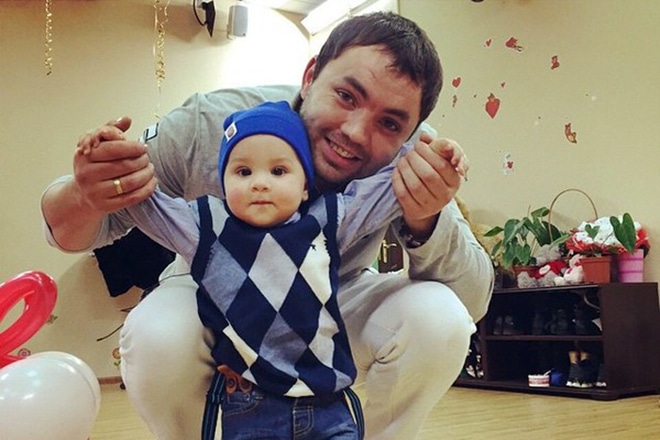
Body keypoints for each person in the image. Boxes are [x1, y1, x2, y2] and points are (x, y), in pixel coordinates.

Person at [41, 11, 494, 440]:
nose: (356, 132)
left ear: (410, 133)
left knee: (440, 320)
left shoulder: (412, 160)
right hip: (210, 290)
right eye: (346, 95)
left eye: (390, 123)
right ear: (311, 75)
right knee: (159, 335)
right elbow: (64, 232)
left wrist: (425, 215)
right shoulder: (209, 125)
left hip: (335, 296)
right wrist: (87, 193)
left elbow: (472, 302)